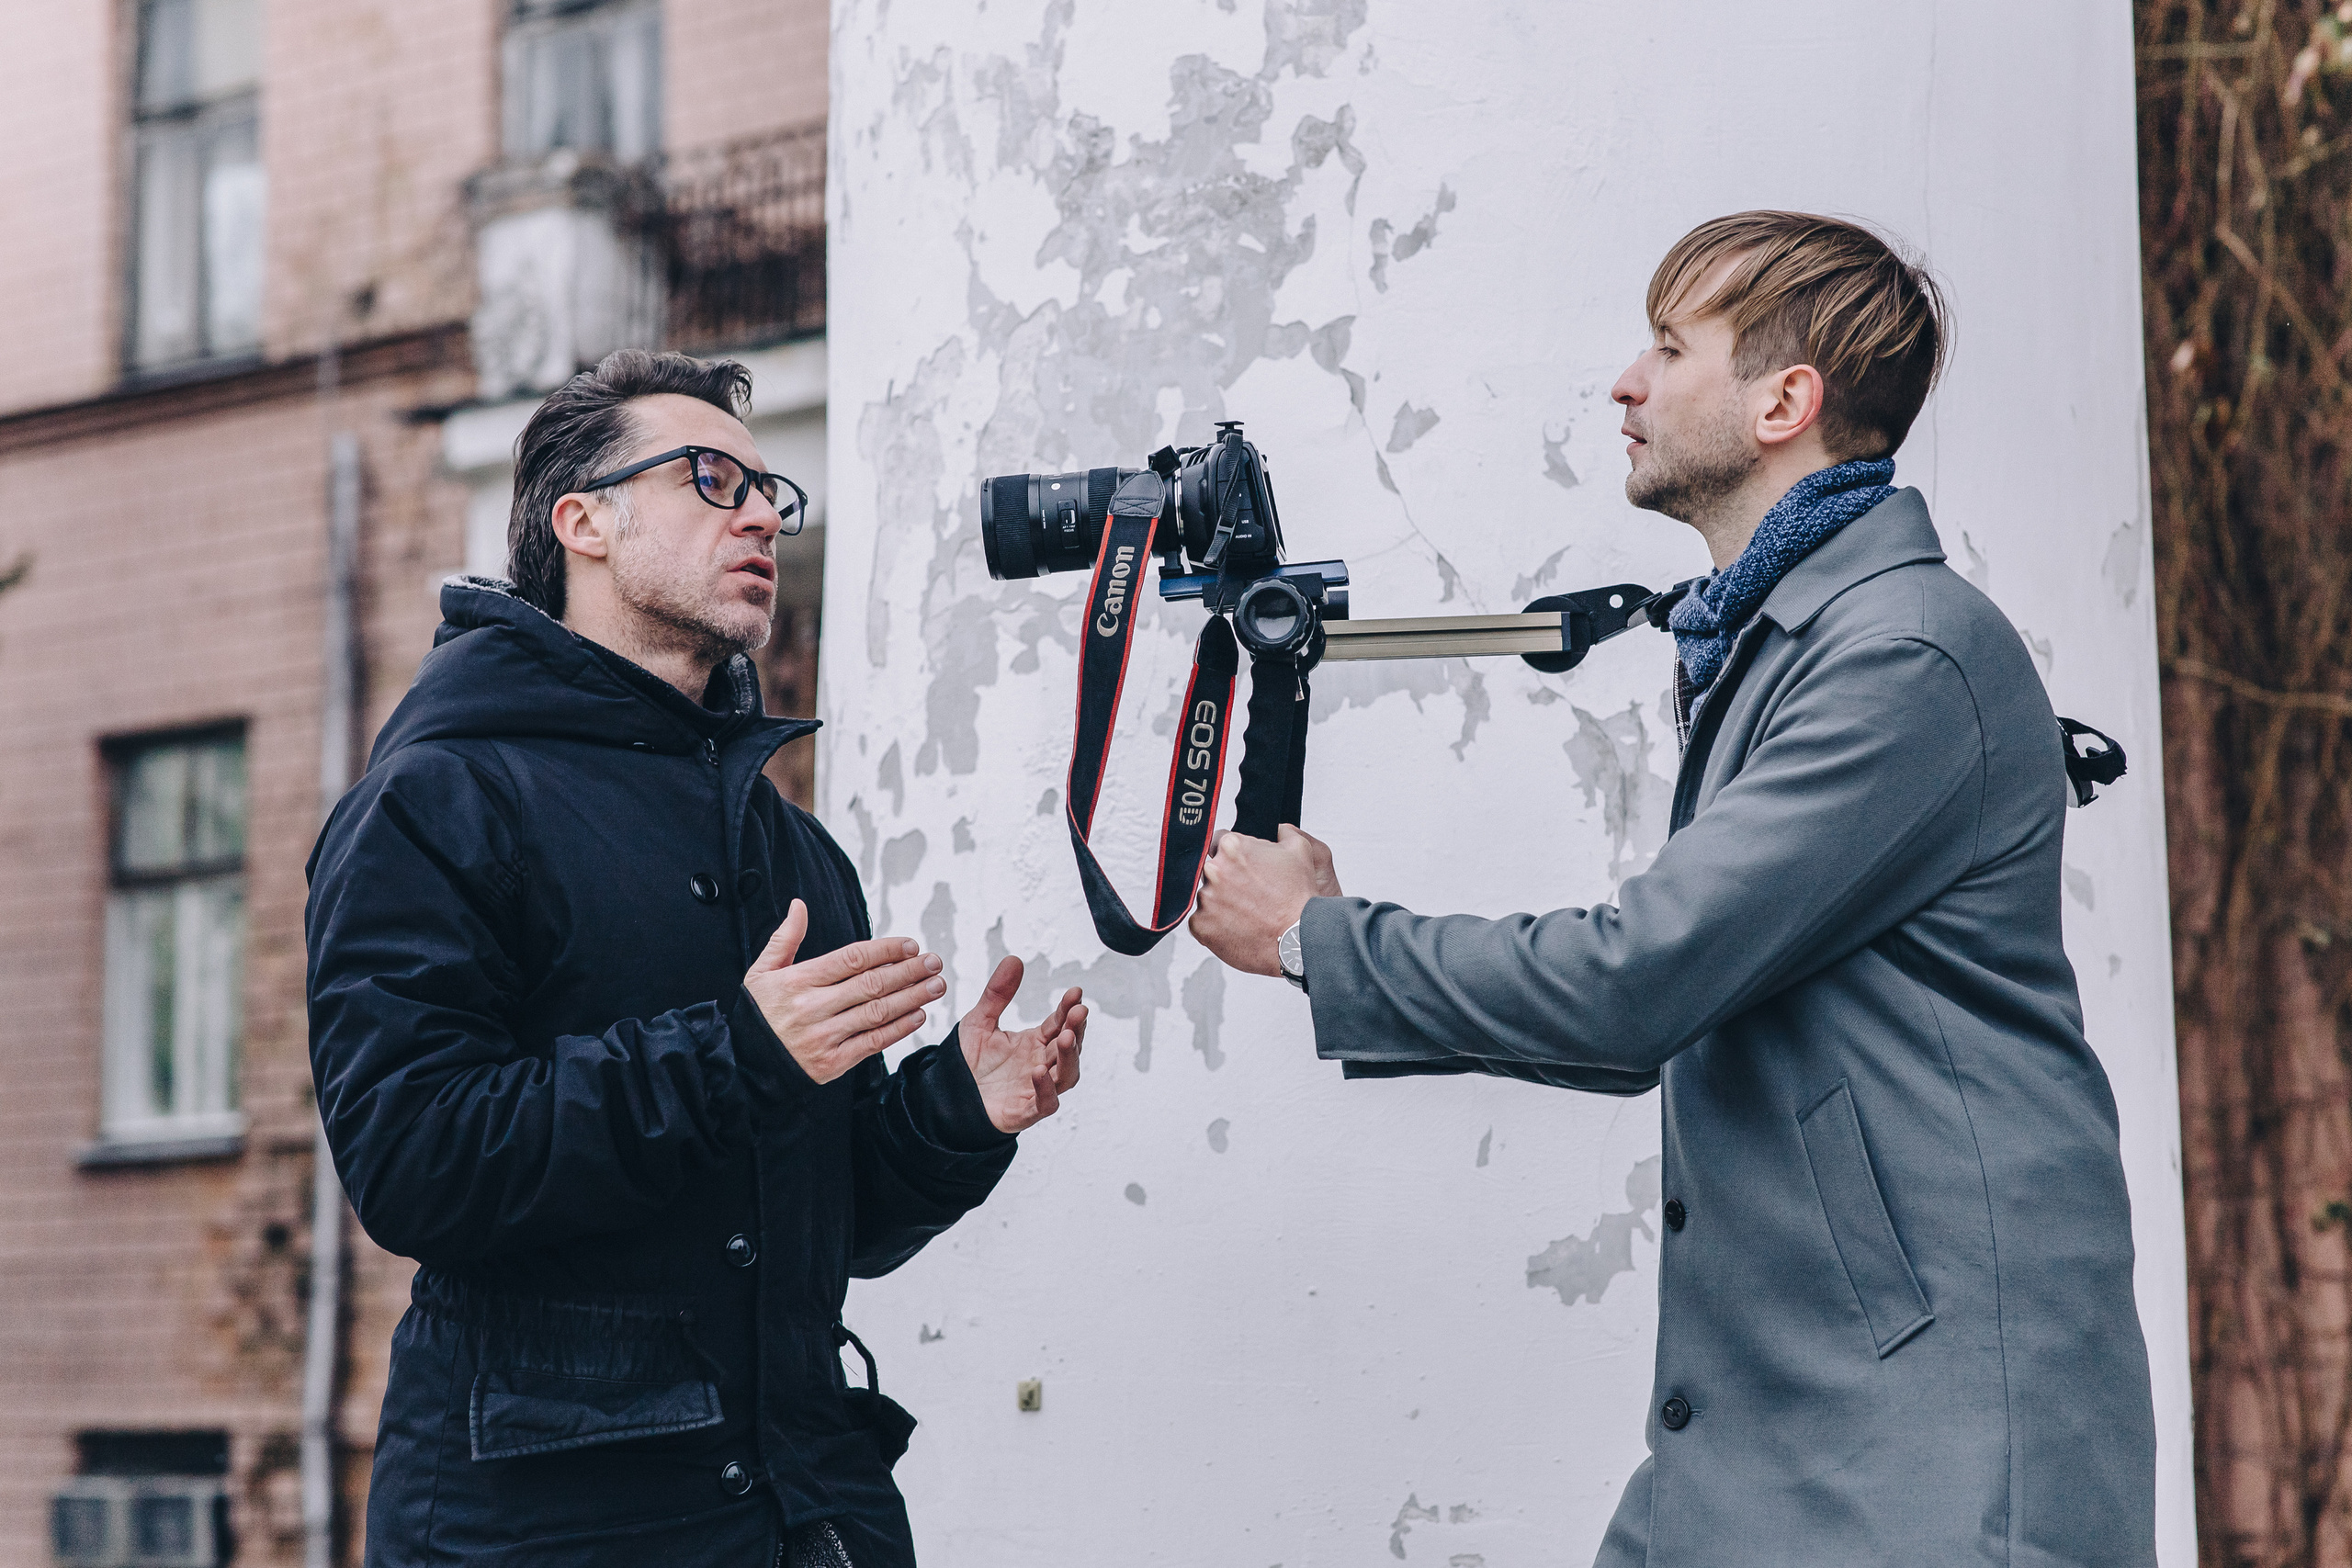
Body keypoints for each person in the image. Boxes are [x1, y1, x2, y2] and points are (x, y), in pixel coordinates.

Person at [1188, 212, 2157, 1566]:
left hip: (1929, 1468)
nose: (1624, 384)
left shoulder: (1905, 656)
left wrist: (1314, 940)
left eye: (1666, 346)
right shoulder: (1787, 644)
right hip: (1776, 1457)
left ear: (1784, 401)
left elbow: (1641, 980)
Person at [307, 350, 1087, 1568]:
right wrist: (736, 1053)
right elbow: (416, 1166)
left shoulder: (793, 853)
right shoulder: (438, 800)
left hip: (803, 1509)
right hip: (545, 1528)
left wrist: (953, 1116)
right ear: (585, 525)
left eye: (775, 493)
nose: (764, 514)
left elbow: (840, 1227)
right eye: (714, 480)